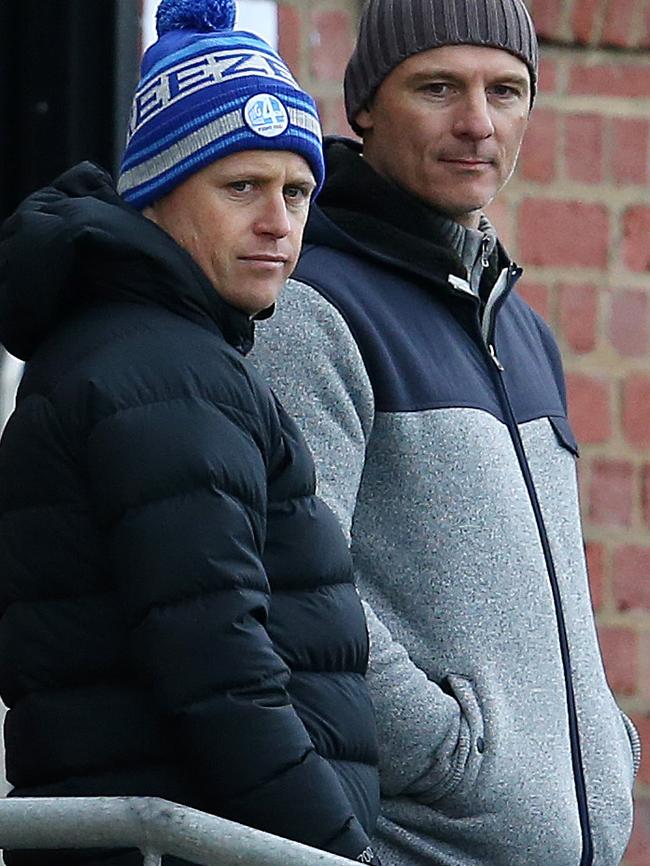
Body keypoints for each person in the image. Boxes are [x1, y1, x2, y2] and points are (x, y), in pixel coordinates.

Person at [249, 1, 641, 864]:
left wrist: (606, 746)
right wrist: (450, 754)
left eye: (506, 91)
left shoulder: (523, 329)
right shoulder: (312, 308)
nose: (477, 123)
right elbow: (287, 580)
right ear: (364, 107)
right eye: (438, 88)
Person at [0, 1, 381, 864]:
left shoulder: (157, 352)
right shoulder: (164, 374)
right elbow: (220, 673)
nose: (279, 222)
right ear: (159, 193)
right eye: (240, 186)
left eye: (297, 192)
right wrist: (337, 853)